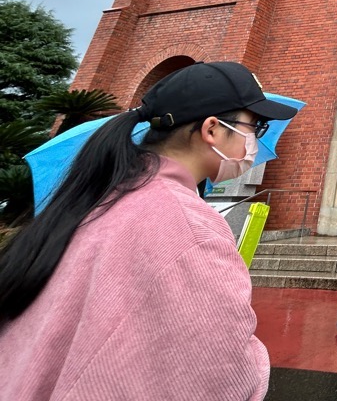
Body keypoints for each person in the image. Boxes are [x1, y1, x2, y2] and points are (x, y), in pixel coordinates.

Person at [0, 61, 299, 401]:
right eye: (254, 126)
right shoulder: (189, 227)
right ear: (212, 130)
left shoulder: (98, 197)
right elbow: (220, 373)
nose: (254, 141)